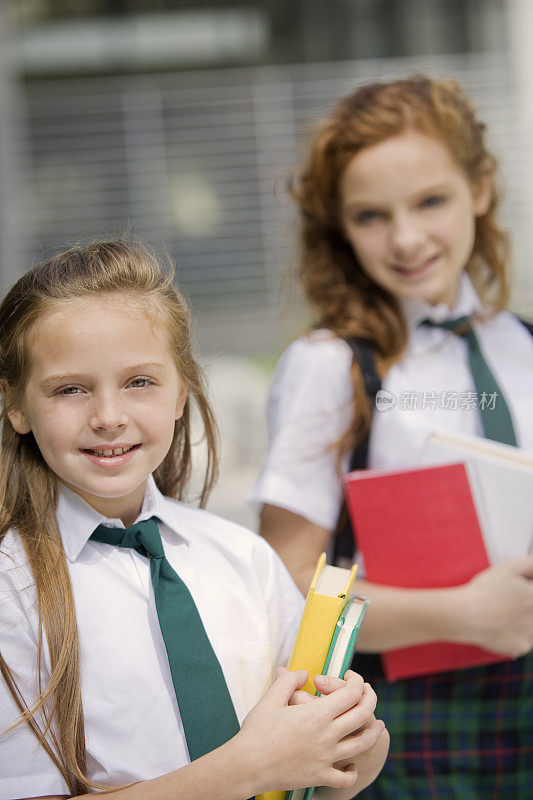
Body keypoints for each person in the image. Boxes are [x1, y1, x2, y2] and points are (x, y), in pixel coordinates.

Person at [0, 240, 390, 800]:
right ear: (16, 405)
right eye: (69, 389)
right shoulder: (12, 589)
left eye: (140, 382)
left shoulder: (244, 557)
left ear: (182, 390)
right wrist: (251, 767)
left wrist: (354, 744)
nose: (109, 417)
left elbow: (320, 775)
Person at [250, 76, 533, 798]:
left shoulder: (522, 343)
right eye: (371, 215)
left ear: (479, 187)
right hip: (407, 724)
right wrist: (459, 614)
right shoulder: (327, 365)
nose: (405, 238)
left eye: (430, 201)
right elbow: (286, 581)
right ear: (340, 227)